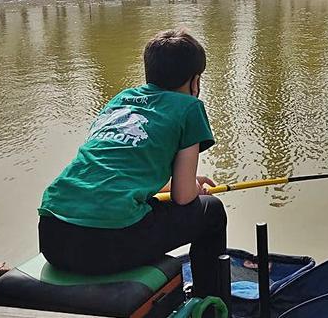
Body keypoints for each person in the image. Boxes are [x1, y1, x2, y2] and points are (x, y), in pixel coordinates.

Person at [37, 29, 226, 297]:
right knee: (212, 212)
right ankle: (209, 302)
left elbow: (119, 169)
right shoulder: (188, 107)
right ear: (195, 81)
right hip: (106, 243)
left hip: (53, 235)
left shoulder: (120, 101)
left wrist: (185, 184)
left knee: (151, 206)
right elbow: (184, 198)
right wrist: (194, 189)